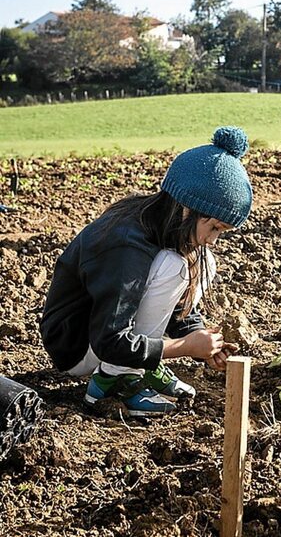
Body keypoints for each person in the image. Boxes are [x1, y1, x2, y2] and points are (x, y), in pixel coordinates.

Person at [40, 127, 252, 416]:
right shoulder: (126, 243)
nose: (214, 239)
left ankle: (140, 367)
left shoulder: (160, 223)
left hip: (103, 338)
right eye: (214, 227)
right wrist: (183, 346)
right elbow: (110, 339)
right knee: (175, 267)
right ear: (185, 209)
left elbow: (174, 308)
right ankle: (115, 379)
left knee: (203, 261)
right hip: (77, 345)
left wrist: (200, 338)